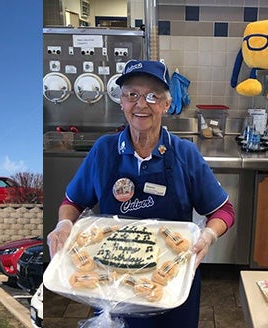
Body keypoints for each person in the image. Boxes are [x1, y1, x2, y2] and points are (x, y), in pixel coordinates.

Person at [46, 60, 235, 328]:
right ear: (121, 101)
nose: (141, 104)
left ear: (166, 104)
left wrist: (208, 235)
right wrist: (64, 224)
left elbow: (224, 211)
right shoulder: (104, 150)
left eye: (152, 96)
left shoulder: (184, 153)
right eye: (132, 95)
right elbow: (72, 202)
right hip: (113, 286)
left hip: (170, 286)